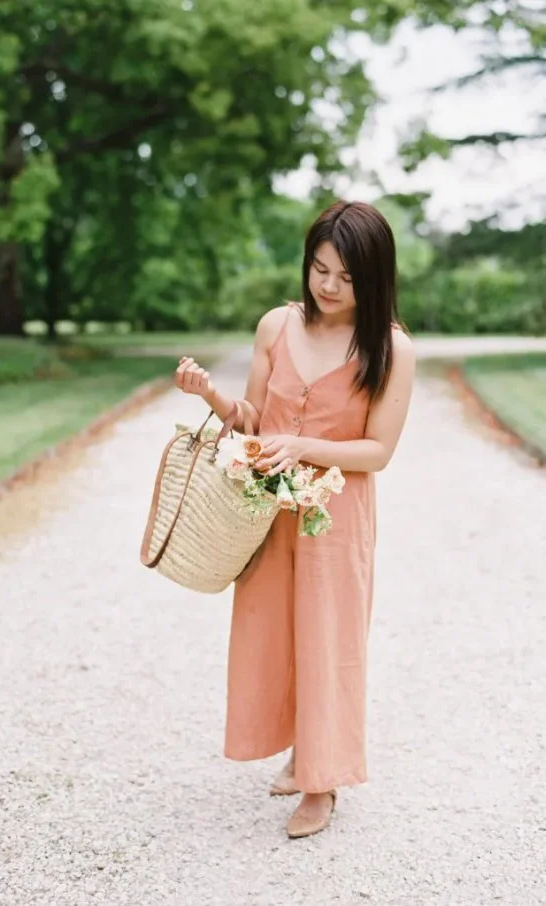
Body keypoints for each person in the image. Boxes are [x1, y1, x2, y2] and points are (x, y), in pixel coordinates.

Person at [175, 200, 415, 838]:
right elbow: (252, 419)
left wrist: (304, 447)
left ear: (376, 277)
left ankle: (323, 782)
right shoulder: (276, 326)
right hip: (265, 511)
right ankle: (297, 749)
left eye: (347, 277)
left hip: (335, 519)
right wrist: (209, 395)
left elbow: (378, 452)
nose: (329, 287)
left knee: (328, 640)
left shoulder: (390, 348)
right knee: (273, 632)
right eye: (320, 270)